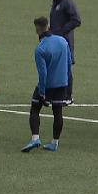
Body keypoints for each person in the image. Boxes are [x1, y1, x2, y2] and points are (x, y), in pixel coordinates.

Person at [21, 17, 71, 153]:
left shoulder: (40, 48)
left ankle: (35, 138)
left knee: (35, 109)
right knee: (58, 113)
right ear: (48, 26)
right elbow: (69, 63)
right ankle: (55, 142)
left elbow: (43, 74)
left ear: (37, 29)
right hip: (62, 84)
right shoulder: (63, 41)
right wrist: (68, 85)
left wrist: (42, 92)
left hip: (48, 85)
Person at [49, 0, 81, 100]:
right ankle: (57, 94)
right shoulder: (55, 3)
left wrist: (62, 32)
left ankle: (67, 95)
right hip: (55, 40)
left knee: (66, 68)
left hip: (65, 41)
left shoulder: (67, 2)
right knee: (56, 66)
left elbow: (76, 20)